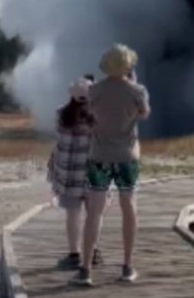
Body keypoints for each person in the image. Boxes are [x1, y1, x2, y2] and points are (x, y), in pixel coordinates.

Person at [71, 44, 151, 286]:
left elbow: (87, 113)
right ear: (128, 66)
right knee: (129, 209)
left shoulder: (94, 91)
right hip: (127, 157)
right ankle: (127, 267)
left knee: (94, 212)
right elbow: (144, 114)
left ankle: (85, 269)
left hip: (99, 156)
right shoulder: (138, 91)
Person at [47, 77, 103, 269]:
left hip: (68, 176)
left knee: (72, 215)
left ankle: (74, 253)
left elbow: (59, 142)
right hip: (93, 175)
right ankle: (93, 251)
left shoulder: (60, 114)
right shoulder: (98, 116)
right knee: (94, 215)